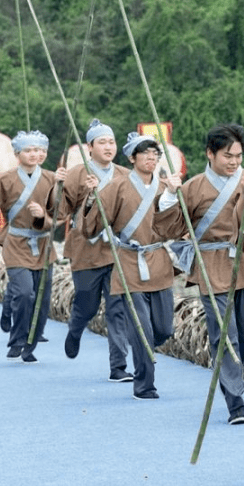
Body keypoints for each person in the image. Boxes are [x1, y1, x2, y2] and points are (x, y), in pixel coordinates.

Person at [155, 123, 244, 425]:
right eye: (227, 156)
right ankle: (235, 402)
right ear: (210, 154)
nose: (233, 162)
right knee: (223, 334)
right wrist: (168, 196)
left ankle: (232, 377)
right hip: (211, 265)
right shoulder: (193, 188)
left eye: (238, 156)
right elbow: (171, 228)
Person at [83, 132, 176, 399]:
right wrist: (91, 199)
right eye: (145, 153)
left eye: (155, 153)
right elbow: (91, 227)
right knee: (141, 327)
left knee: (163, 328)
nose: (151, 158)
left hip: (158, 260)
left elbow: (177, 224)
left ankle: (143, 346)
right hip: (128, 263)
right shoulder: (116, 187)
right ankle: (145, 385)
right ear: (132, 158)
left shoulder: (164, 187)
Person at [0, 130, 68, 364]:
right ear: (18, 154)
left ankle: (30, 345)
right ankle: (17, 339)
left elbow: (61, 214)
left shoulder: (53, 178)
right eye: (29, 150)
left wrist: (43, 216)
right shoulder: (4, 179)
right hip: (17, 243)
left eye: (40, 151)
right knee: (23, 292)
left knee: (41, 298)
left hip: (44, 245)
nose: (35, 155)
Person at [61, 119, 134, 381]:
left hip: (116, 251)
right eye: (102, 142)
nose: (108, 146)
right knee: (88, 305)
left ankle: (118, 367)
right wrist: (59, 188)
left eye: (112, 142)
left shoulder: (126, 176)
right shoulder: (76, 174)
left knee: (117, 309)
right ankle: (76, 326)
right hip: (86, 250)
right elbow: (60, 210)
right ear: (89, 147)